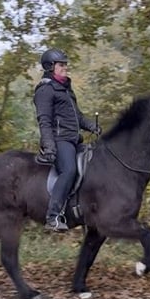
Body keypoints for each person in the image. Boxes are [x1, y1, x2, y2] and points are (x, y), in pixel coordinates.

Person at [33, 48, 101, 232]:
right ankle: (53, 216)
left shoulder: (66, 90)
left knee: (94, 165)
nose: (65, 68)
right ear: (50, 67)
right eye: (61, 65)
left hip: (74, 140)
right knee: (69, 170)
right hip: (59, 140)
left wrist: (92, 127)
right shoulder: (45, 90)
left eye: (65, 65)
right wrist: (49, 145)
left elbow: (77, 117)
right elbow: (44, 120)